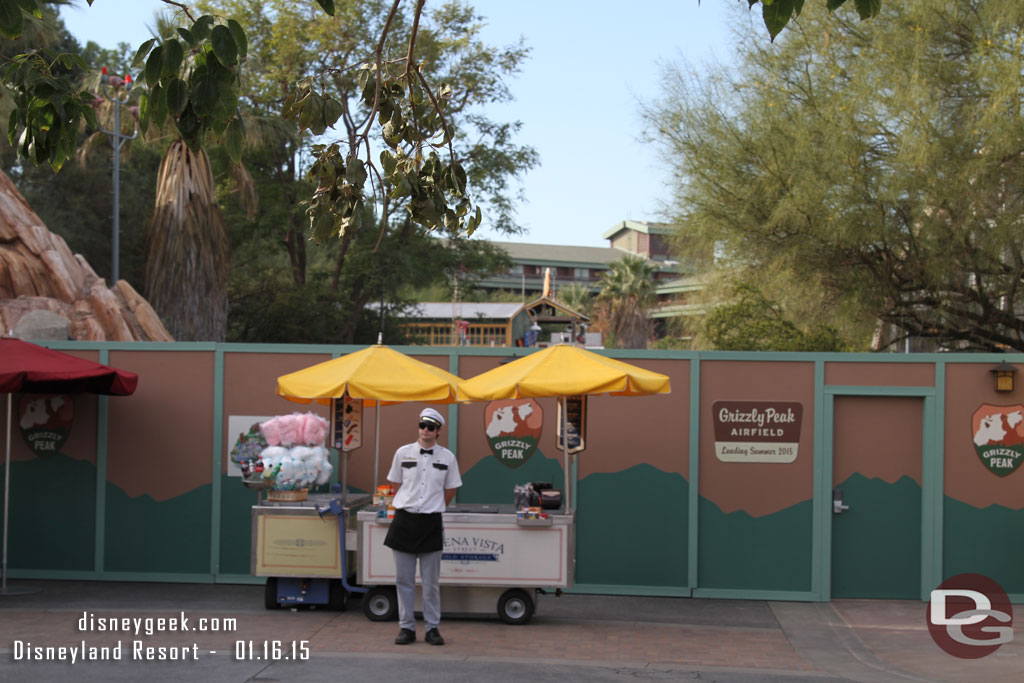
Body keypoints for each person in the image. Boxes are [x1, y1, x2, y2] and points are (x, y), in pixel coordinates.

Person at [383, 407, 462, 646]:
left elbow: (451, 490)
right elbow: (396, 484)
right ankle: (406, 628)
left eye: (430, 427)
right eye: (422, 426)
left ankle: (432, 629)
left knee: (430, 584)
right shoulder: (402, 453)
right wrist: (409, 504)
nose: (425, 430)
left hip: (430, 522)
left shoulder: (447, 457)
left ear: (438, 431)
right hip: (405, 521)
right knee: (403, 580)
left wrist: (432, 505)